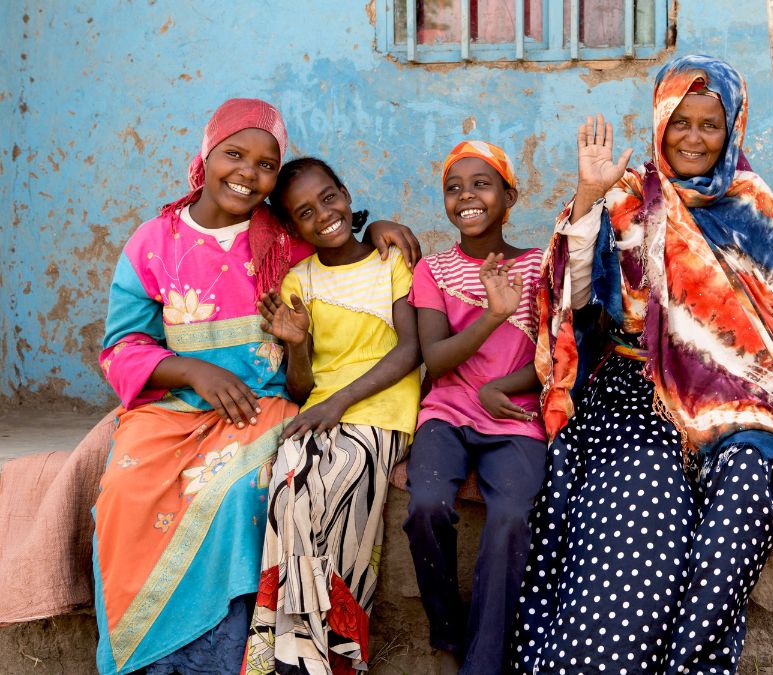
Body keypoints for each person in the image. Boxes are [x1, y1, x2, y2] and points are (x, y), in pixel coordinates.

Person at [509, 55, 773, 674]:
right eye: (679, 122)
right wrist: (586, 199)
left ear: (731, 125)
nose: (692, 138)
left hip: (738, 399)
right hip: (639, 389)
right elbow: (575, 306)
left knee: (742, 510)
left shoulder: (752, 203)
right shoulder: (627, 197)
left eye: (708, 125)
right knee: (640, 542)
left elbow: (770, 328)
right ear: (660, 120)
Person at [94, 98, 419, 675]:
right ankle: (150, 661)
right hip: (170, 409)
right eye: (234, 155)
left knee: (242, 491)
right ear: (205, 155)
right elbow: (122, 347)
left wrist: (381, 226)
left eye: (265, 165)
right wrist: (193, 370)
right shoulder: (153, 243)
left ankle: (221, 661)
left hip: (263, 407)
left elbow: (339, 240)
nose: (247, 173)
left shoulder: (283, 240)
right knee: (122, 494)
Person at [242, 158, 422, 674]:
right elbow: (300, 385)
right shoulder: (300, 281)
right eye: (304, 212)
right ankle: (301, 654)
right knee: (287, 484)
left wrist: (338, 404)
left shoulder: (391, 262)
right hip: (320, 409)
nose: (323, 215)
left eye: (328, 198)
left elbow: (410, 351)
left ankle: (332, 653)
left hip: (381, 411)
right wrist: (296, 346)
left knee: (339, 479)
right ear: (293, 227)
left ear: (345, 193)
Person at [403, 141, 545, 675]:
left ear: (509, 195)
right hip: (446, 413)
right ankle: (446, 637)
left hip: (515, 416)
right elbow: (436, 360)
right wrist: (491, 314)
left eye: (481, 184)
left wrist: (500, 386)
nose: (466, 195)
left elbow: (556, 357)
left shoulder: (537, 266)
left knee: (510, 516)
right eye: (453, 187)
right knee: (426, 507)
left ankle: (485, 661)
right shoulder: (434, 271)